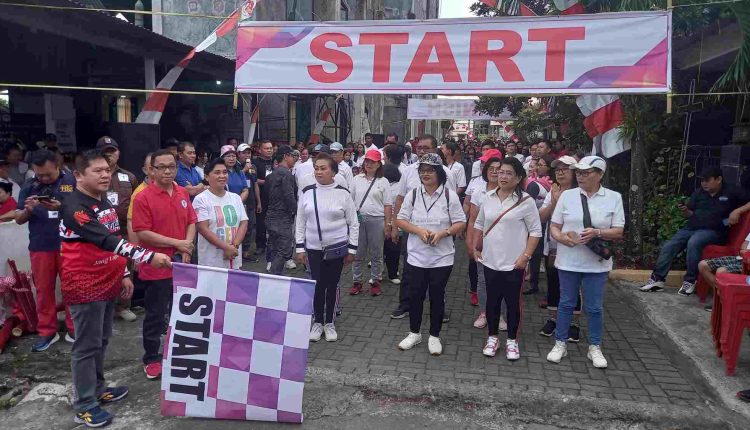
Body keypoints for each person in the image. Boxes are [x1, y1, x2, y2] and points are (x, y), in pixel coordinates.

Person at [59, 149, 171, 428]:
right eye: (97, 171)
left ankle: (98, 390)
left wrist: (123, 273)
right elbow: (107, 241)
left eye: (107, 170)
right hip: (84, 285)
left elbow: (115, 235)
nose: (104, 175)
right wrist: (147, 256)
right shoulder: (74, 207)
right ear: (78, 175)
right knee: (86, 346)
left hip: (109, 281)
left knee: (102, 340)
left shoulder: (104, 201)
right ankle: (84, 404)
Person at [546, 156, 625, 368]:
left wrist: (597, 232)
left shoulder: (613, 198)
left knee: (594, 307)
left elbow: (618, 231)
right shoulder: (567, 196)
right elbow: (554, 226)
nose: (580, 177)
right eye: (578, 173)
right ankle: (560, 343)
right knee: (566, 303)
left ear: (599, 175)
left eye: (586, 173)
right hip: (568, 260)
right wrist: (562, 238)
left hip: (596, 263)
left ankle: (595, 346)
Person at [131, 149, 197, 380]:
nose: (167, 171)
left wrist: (186, 246)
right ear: (151, 170)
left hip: (182, 262)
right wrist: (177, 243)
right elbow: (143, 233)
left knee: (182, 311)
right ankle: (151, 358)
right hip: (156, 266)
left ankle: (177, 351)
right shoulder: (143, 197)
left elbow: (191, 221)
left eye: (171, 166)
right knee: (156, 315)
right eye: (162, 167)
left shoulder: (182, 192)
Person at [396, 153, 466, 356]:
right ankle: (414, 333)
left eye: (430, 171)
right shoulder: (413, 194)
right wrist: (418, 231)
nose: (425, 174)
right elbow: (401, 219)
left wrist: (443, 233)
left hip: (442, 257)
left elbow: (460, 222)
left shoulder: (449, 195)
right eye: (422, 171)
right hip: (416, 256)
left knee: (437, 295)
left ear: (439, 173)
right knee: (415, 295)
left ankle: (434, 335)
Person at [640, 166, 749, 295]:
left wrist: (738, 211)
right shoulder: (699, 193)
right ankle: (657, 279)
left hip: (715, 231)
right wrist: (685, 211)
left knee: (694, 241)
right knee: (670, 245)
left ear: (718, 179)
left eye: (707, 180)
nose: (704, 183)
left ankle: (690, 281)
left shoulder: (732, 191)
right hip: (692, 227)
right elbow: (690, 214)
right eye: (702, 180)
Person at [473, 158, 541, 360]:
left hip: (514, 263)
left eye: (508, 173)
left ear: (519, 177)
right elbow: (479, 223)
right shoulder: (488, 197)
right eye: (500, 172)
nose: (502, 176)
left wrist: (525, 257)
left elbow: (535, 232)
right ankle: (492, 337)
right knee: (492, 301)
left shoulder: (526, 201)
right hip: (490, 260)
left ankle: (512, 340)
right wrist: (476, 247)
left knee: (512, 303)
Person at [390, 135, 458, 319]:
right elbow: (400, 199)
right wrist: (395, 225)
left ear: (435, 149)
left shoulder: (446, 173)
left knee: (438, 275)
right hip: (413, 230)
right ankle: (406, 304)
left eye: (426, 148)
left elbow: (452, 203)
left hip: (440, 232)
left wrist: (448, 232)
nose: (421, 151)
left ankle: (438, 308)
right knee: (409, 270)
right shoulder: (409, 171)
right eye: (419, 148)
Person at [15, 149, 77, 351]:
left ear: (57, 166)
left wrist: (61, 207)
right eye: (39, 174)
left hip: (69, 244)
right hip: (41, 246)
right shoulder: (29, 185)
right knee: (43, 291)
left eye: (48, 174)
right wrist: (28, 210)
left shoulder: (73, 181)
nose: (43, 178)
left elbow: (84, 211)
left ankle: (74, 329)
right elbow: (18, 219)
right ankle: (47, 332)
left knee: (72, 289)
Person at [295, 153, 359, 343]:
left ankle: (329, 322)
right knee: (316, 285)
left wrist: (352, 250)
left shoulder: (343, 193)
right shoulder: (307, 191)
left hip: (336, 248)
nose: (319, 172)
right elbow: (300, 221)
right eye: (316, 168)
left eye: (323, 168)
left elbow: (353, 223)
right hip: (313, 248)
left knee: (332, 285)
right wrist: (300, 247)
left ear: (333, 172)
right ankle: (317, 322)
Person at [96, 136, 140, 323]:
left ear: (118, 153)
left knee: (126, 268)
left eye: (112, 151)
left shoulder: (129, 176)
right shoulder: (94, 175)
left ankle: (123, 306)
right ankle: (103, 308)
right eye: (105, 152)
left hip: (124, 230)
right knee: (102, 268)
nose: (109, 155)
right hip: (99, 232)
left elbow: (137, 202)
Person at [538, 156, 582, 340]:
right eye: (557, 169)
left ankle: (573, 323)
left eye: (565, 169)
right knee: (553, 283)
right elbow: (541, 217)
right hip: (553, 245)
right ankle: (553, 319)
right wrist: (554, 201)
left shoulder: (581, 193)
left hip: (574, 245)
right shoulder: (553, 190)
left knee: (572, 285)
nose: (560, 172)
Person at [464, 152, 504, 328]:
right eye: (491, 168)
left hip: (503, 243)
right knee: (483, 279)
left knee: (501, 279)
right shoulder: (479, 191)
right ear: (485, 170)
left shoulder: (510, 191)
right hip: (482, 242)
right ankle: (484, 313)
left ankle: (500, 315)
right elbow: (472, 220)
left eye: (498, 169)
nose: (494, 172)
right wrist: (471, 243)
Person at [350, 150, 393, 296]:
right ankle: (357, 282)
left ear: (379, 164)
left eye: (372, 162)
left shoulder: (383, 181)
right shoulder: (356, 179)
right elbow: (350, 201)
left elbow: (388, 205)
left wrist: (388, 224)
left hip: (377, 221)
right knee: (357, 253)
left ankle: (375, 281)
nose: (368, 164)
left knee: (376, 253)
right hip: (359, 220)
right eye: (367, 161)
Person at [193, 158, 248, 269]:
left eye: (224, 172)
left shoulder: (235, 198)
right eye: (217, 173)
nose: (222, 176)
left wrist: (234, 246)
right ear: (207, 177)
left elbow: (243, 223)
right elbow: (203, 229)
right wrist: (225, 247)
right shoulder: (201, 199)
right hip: (211, 261)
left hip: (234, 256)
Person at [523, 154, 554, 296]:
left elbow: (527, 205)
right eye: (538, 165)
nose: (538, 168)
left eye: (541, 165)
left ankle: (534, 284)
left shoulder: (535, 185)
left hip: (541, 223)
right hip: (543, 221)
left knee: (536, 255)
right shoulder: (543, 183)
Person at [264, 145, 298, 275]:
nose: (294, 159)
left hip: (270, 216)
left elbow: (266, 197)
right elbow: (289, 196)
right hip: (282, 218)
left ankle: (274, 275)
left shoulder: (271, 175)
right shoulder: (286, 174)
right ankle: (275, 275)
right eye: (292, 156)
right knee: (284, 250)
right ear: (285, 156)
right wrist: (297, 211)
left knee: (274, 248)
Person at [237, 143, 262, 262]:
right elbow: (233, 179)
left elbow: (255, 184)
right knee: (239, 227)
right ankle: (237, 251)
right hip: (240, 202)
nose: (247, 155)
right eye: (244, 153)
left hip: (251, 202)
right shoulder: (235, 166)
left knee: (249, 226)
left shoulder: (253, 167)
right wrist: (244, 170)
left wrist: (259, 202)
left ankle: (246, 252)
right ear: (239, 154)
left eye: (249, 152)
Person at [382, 145, 404, 285]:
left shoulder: (399, 187)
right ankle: (378, 273)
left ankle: (393, 273)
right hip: (382, 221)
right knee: (380, 249)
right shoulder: (380, 185)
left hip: (395, 222)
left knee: (394, 249)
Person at [253, 140, 274, 257]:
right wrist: (268, 182)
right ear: (260, 150)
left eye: (270, 148)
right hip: (260, 196)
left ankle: (273, 245)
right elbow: (253, 179)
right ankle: (260, 245)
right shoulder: (255, 163)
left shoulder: (276, 161)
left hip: (274, 197)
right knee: (261, 223)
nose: (269, 150)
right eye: (266, 148)